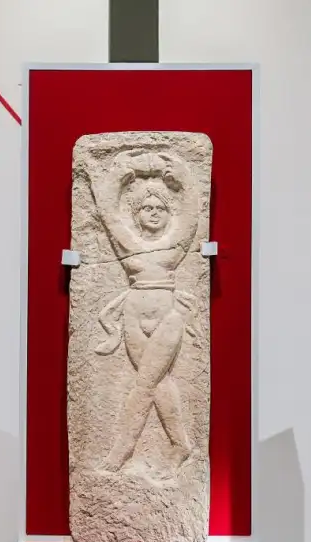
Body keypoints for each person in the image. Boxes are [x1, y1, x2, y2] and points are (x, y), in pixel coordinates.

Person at [87, 150, 203, 472]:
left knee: (145, 383)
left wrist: (180, 177)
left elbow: (191, 216)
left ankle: (120, 452)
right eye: (147, 208)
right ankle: (180, 446)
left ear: (168, 214)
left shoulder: (174, 246)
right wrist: (118, 176)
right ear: (136, 214)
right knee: (155, 381)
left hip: (168, 316)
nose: (153, 213)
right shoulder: (129, 245)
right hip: (133, 315)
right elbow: (109, 216)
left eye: (160, 209)